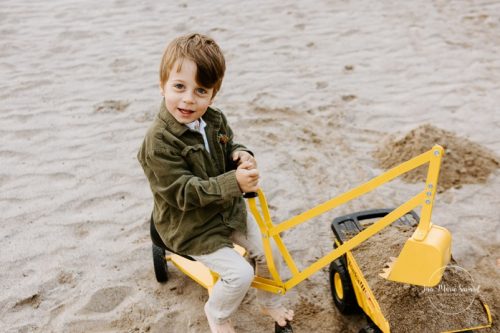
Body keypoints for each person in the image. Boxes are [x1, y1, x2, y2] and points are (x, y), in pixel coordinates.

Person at [137, 33, 294, 333]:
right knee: (238, 275)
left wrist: (241, 154)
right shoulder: (157, 143)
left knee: (271, 252)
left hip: (227, 212)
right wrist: (233, 182)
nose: (188, 99)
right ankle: (218, 313)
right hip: (191, 227)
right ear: (162, 84)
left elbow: (230, 143)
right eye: (179, 87)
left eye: (200, 91)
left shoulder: (214, 119)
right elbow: (183, 193)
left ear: (213, 94)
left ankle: (269, 301)